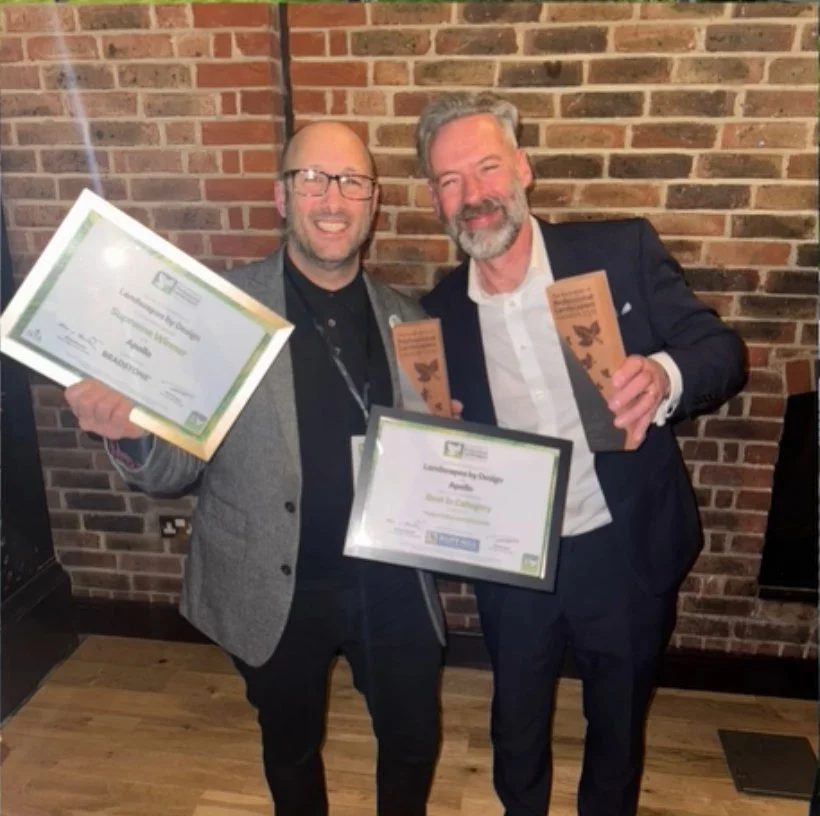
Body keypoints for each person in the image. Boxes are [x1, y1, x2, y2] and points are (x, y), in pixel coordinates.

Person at [65, 122, 447, 816]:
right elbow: (171, 466)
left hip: (391, 582)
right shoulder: (222, 313)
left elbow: (436, 450)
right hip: (276, 581)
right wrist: (131, 435)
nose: (333, 198)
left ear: (374, 201)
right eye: (312, 179)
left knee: (415, 741)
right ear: (281, 196)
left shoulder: (409, 320)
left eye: (351, 182)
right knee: (291, 748)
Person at [416, 92, 747, 816]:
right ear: (434, 198)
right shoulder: (436, 313)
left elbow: (722, 351)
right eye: (449, 181)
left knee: (619, 727)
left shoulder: (618, 251)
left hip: (621, 547)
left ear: (523, 168)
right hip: (516, 563)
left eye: (487, 168)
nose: (473, 196)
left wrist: (664, 374)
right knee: (516, 726)